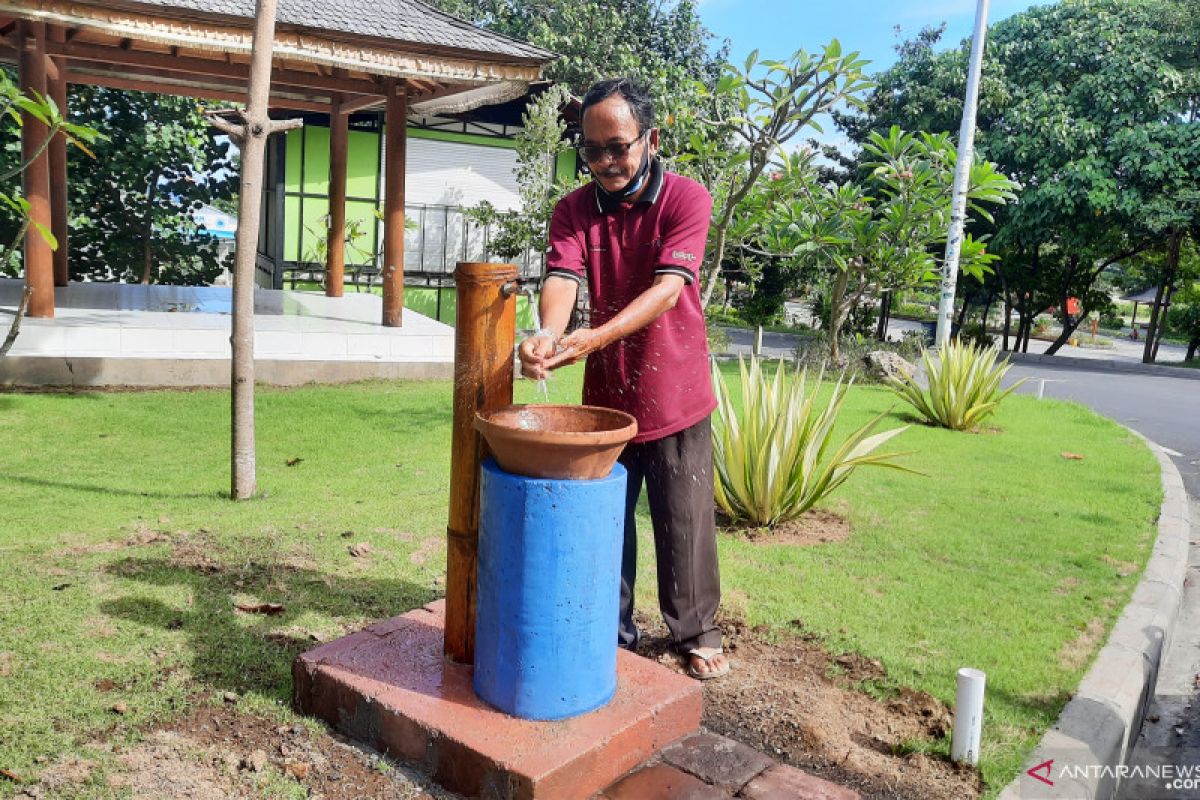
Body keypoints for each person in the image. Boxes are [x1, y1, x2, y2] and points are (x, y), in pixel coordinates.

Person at [518, 77, 729, 680]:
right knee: (606, 516)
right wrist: (551, 335)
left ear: (651, 139)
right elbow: (562, 278)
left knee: (683, 518)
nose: (606, 162)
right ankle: (611, 628)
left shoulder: (687, 198)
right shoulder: (573, 209)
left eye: (618, 146)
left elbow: (668, 290)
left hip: (675, 389)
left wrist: (593, 337)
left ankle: (696, 630)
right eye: (592, 151)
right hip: (606, 395)